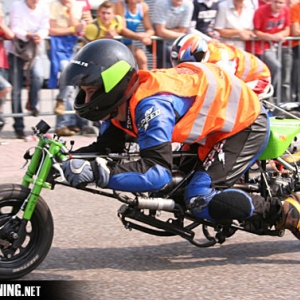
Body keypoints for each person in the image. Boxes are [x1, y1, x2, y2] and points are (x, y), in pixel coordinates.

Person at [59, 39, 300, 241]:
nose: (85, 96)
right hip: (210, 125)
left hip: (243, 122)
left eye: (91, 90)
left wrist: (99, 173)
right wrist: (65, 159)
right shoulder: (119, 107)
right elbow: (106, 149)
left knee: (199, 198)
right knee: (175, 188)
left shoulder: (151, 106)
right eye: (84, 90)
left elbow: (156, 172)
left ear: (111, 87)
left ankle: (285, 212)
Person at [170, 34, 271, 98]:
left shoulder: (221, 61)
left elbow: (223, 87)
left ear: (199, 55)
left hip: (257, 80)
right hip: (238, 79)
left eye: (187, 62)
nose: (184, 67)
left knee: (230, 100)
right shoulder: (206, 54)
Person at [7, 0, 49, 139]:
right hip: (17, 50)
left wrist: (40, 35)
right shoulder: (16, 6)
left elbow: (45, 26)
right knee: (16, 90)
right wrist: (29, 35)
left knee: (38, 76)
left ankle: (33, 103)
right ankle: (18, 125)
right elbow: (15, 28)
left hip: (34, 50)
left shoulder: (43, 6)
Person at [48, 0, 86, 136]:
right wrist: (70, 30)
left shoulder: (76, 6)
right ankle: (62, 123)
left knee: (69, 88)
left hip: (72, 48)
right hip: (57, 48)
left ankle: (63, 123)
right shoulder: (54, 5)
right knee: (67, 81)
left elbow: (78, 28)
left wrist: (70, 13)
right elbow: (52, 30)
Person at [247, 0, 291, 104]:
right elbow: (255, 31)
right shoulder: (261, 11)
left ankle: (274, 97)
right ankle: (266, 93)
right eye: (276, 2)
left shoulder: (285, 10)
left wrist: (279, 35)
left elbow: (287, 29)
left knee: (283, 73)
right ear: (271, 2)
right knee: (274, 67)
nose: (278, 5)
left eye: (281, 3)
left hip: (276, 46)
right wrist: (271, 37)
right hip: (260, 47)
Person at [149, 0, 194, 68]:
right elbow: (160, 31)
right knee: (167, 54)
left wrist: (164, 31)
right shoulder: (161, 3)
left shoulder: (188, 5)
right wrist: (180, 34)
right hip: (158, 41)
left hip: (176, 41)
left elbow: (182, 30)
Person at [114, 0, 154, 70]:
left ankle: (145, 80)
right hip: (116, 43)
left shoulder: (143, 7)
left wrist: (146, 36)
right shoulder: (120, 4)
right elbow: (122, 29)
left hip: (129, 43)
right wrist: (139, 37)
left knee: (142, 59)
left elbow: (150, 29)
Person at [0, 3, 14, 134]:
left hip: (2, 63)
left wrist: (1, 22)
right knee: (6, 87)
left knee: (1, 103)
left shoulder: (1, 25)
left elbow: (10, 35)